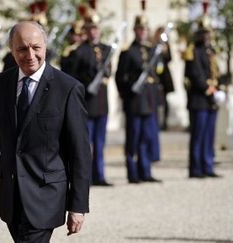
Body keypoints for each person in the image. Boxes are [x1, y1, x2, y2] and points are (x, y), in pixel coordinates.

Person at [0, 21, 91, 242]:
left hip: (46, 197)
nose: (30, 55)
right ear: (12, 50)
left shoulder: (68, 88)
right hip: (10, 198)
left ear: (45, 45)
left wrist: (78, 206)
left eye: (36, 47)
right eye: (22, 49)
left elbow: (80, 153)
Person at [115, 15, 162, 184]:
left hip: (149, 100)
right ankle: (132, 172)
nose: (143, 32)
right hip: (134, 101)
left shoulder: (152, 51)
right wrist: (129, 91)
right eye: (140, 29)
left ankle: (146, 171)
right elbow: (120, 78)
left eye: (145, 29)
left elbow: (159, 73)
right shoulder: (128, 52)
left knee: (147, 138)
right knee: (133, 138)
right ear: (135, 31)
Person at [69, 14, 113, 186]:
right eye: (90, 29)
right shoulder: (80, 51)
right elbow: (74, 77)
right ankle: (84, 178)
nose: (94, 32)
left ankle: (100, 175)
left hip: (102, 102)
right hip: (87, 102)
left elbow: (110, 72)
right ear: (86, 31)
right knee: (85, 145)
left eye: (96, 28)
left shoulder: (107, 49)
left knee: (100, 143)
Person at [183, 27, 222, 178]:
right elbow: (195, 74)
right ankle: (196, 168)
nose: (207, 36)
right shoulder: (193, 51)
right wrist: (209, 88)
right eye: (204, 33)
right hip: (199, 100)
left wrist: (220, 88)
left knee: (209, 136)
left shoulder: (210, 51)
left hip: (211, 99)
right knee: (198, 136)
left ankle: (208, 166)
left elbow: (217, 72)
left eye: (208, 33)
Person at [153, 26, 175, 131]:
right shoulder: (154, 45)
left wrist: (165, 51)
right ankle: (156, 120)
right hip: (156, 75)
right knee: (155, 99)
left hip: (164, 75)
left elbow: (170, 58)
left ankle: (164, 121)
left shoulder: (166, 45)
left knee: (165, 100)